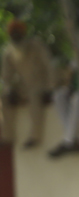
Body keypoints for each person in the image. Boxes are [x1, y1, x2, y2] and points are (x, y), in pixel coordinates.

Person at [0, 20, 53, 149]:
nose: (15, 35)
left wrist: (50, 88)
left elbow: (49, 65)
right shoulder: (9, 52)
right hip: (24, 87)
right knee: (4, 97)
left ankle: (35, 137)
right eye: (13, 33)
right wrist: (9, 89)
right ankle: (7, 137)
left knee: (34, 96)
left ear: (23, 33)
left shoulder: (36, 45)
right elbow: (6, 76)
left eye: (17, 32)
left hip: (41, 83)